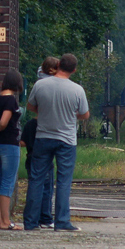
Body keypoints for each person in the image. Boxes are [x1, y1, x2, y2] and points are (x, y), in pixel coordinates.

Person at [23, 53, 89, 232]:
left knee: (36, 179)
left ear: (58, 64)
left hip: (43, 137)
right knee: (63, 181)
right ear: (74, 70)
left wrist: (45, 111)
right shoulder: (77, 90)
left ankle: (30, 222)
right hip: (66, 140)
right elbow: (85, 114)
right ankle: (62, 222)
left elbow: (30, 106)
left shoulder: (40, 85)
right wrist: (71, 115)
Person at [20, 56, 60, 229]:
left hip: (32, 156)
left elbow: (22, 142)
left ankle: (31, 220)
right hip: (48, 141)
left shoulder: (30, 124)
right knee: (47, 186)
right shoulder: (60, 84)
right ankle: (46, 217)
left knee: (35, 184)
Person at [0, 69, 24, 230]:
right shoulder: (10, 100)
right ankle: (5, 221)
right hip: (9, 144)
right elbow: (3, 122)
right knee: (7, 183)